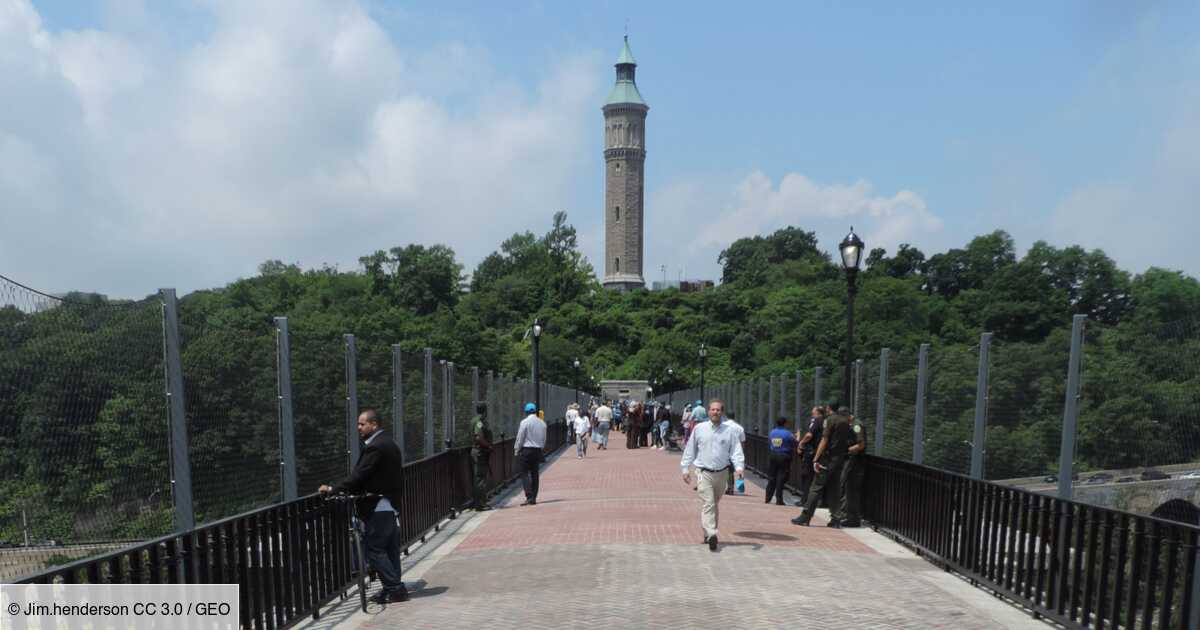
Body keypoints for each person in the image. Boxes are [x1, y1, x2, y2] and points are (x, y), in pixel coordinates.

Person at [319, 409, 409, 604]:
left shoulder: (375, 447)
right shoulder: (389, 443)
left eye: (362, 424)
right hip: (389, 505)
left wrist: (333, 489)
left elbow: (359, 475)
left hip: (377, 506)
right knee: (390, 549)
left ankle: (395, 588)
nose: (359, 428)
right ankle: (391, 588)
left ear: (374, 424)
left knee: (374, 549)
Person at [680, 399, 744, 551]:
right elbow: (690, 449)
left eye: (718, 410)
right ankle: (712, 533)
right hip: (703, 472)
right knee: (708, 502)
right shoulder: (700, 429)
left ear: (722, 412)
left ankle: (707, 533)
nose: (715, 412)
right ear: (708, 411)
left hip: (722, 473)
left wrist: (739, 467)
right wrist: (685, 468)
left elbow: (736, 450)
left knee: (714, 504)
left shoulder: (729, 431)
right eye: (713, 410)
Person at [792, 404, 854, 527]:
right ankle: (835, 519)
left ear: (829, 408)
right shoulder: (847, 422)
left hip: (827, 459)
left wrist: (816, 458)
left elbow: (824, 440)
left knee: (816, 487)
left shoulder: (830, 420)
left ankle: (806, 516)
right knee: (834, 489)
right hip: (840, 459)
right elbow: (850, 441)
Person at [514, 402, 547, 506]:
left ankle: (528, 496)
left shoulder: (524, 422)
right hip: (537, 450)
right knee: (535, 473)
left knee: (524, 473)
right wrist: (541, 448)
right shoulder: (542, 423)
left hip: (526, 450)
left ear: (526, 412)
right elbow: (544, 438)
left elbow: (520, 437)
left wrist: (516, 449)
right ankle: (534, 497)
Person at [839, 411, 868, 526]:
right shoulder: (852, 424)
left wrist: (847, 450)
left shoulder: (856, 425)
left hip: (856, 462)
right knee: (848, 490)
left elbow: (861, 444)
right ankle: (848, 517)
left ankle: (853, 519)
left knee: (852, 491)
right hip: (852, 461)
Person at [794, 406, 826, 506]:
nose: (812, 414)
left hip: (811, 452)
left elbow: (809, 435)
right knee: (814, 476)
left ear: (818, 413)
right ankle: (816, 500)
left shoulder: (817, 421)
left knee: (806, 476)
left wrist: (801, 443)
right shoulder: (825, 421)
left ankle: (805, 500)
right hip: (819, 452)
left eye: (813, 412)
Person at [765, 416, 796, 506]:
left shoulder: (772, 432)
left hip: (773, 455)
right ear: (785, 423)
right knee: (781, 477)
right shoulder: (788, 434)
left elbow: (769, 442)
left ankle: (768, 497)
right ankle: (779, 499)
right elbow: (794, 442)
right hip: (784, 456)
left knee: (771, 477)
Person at [470, 402, 494, 511]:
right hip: (480, 452)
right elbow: (479, 437)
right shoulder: (479, 422)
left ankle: (479, 502)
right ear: (485, 411)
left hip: (477, 451)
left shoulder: (474, 420)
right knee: (480, 479)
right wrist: (488, 445)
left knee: (479, 477)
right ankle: (480, 504)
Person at [725, 412, 745, 495]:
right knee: (737, 468)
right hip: (736, 450)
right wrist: (741, 451)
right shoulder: (739, 428)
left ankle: (730, 488)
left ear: (726, 416)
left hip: (726, 450)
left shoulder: (723, 426)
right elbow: (743, 441)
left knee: (728, 470)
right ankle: (740, 482)